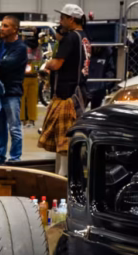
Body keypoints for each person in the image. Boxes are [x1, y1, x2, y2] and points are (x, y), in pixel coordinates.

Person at [39, 4, 85, 176]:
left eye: (63, 18)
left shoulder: (71, 37)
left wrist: (47, 63)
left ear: (71, 19)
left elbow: (57, 63)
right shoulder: (84, 37)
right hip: (79, 92)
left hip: (67, 95)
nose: (60, 21)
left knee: (65, 143)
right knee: (70, 141)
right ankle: (65, 176)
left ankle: (63, 179)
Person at [0, 15, 27, 164]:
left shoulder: (20, 48)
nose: (2, 28)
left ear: (15, 29)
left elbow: (6, 65)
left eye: (6, 26)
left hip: (12, 93)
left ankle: (15, 158)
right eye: (2, 25)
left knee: (14, 128)